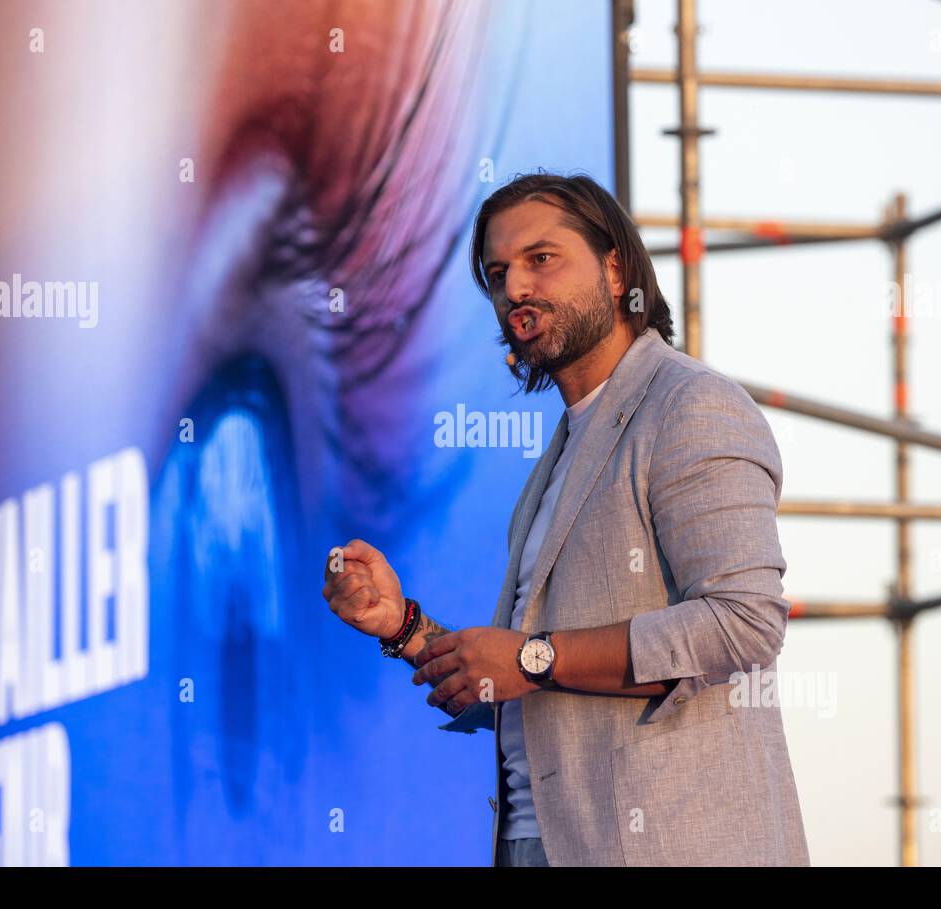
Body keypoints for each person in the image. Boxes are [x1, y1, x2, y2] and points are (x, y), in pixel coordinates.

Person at [322, 172, 810, 867]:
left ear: (616, 270)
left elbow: (744, 623)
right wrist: (402, 626)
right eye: (497, 274)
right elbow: (529, 686)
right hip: (541, 841)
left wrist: (531, 656)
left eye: (541, 259)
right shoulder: (556, 459)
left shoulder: (690, 406)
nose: (515, 288)